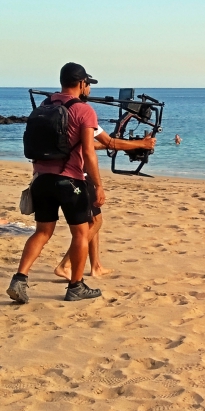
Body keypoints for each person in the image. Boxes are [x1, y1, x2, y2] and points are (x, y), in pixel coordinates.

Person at [7, 63, 105, 303]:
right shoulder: (84, 110)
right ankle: (75, 286)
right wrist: (98, 184)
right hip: (70, 181)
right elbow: (89, 151)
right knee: (81, 233)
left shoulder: (45, 105)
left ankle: (19, 279)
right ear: (81, 83)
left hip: (41, 180)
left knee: (42, 232)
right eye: (88, 84)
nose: (88, 88)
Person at [54, 127, 155, 280]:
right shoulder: (83, 113)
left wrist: (129, 143)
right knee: (96, 222)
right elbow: (107, 142)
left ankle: (96, 266)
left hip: (60, 172)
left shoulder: (61, 112)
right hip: (79, 175)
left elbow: (89, 144)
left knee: (92, 219)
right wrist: (140, 144)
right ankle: (65, 264)